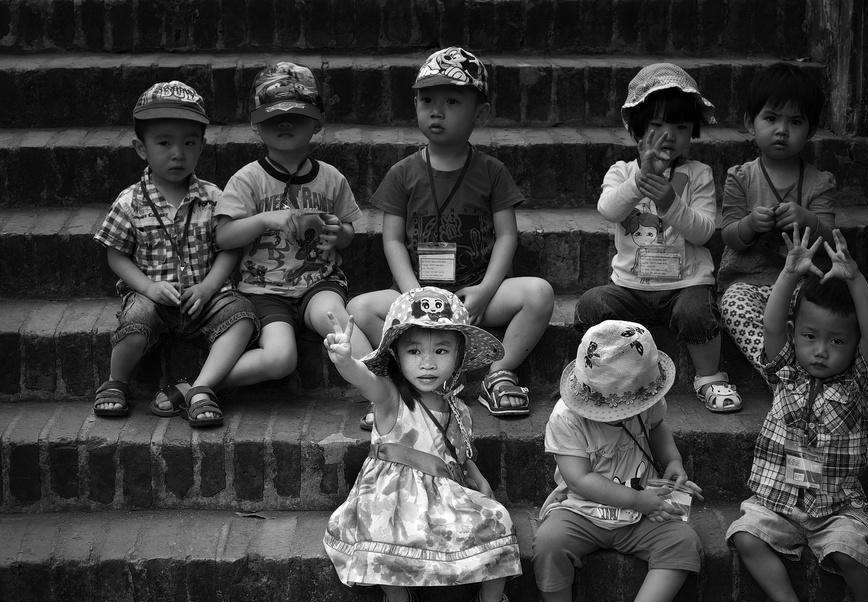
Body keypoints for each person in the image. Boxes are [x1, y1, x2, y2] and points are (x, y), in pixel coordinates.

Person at [348, 46, 554, 427]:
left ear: (481, 114)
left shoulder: (492, 171)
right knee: (356, 310)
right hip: (414, 295)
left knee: (539, 293)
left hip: (473, 296)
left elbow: (507, 236)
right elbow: (392, 240)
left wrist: (487, 290)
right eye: (427, 100)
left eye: (452, 101)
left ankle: (498, 373)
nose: (436, 111)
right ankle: (392, 386)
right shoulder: (402, 173)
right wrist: (413, 296)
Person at [323, 286, 535, 602]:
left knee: (499, 520)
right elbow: (364, 380)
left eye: (441, 351)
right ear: (396, 355)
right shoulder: (389, 397)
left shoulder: (457, 408)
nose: (427, 363)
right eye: (414, 351)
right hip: (391, 498)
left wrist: (478, 477)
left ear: (458, 356)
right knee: (379, 533)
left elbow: (459, 453)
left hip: (443, 494)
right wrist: (345, 361)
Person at [726, 224, 868, 602]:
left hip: (836, 506)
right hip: (777, 501)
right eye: (810, 337)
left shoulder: (858, 383)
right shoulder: (785, 371)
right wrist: (789, 274)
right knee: (745, 534)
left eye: (837, 341)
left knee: (849, 548)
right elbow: (771, 324)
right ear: (795, 334)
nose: (820, 350)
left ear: (854, 346)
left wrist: (855, 278)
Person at [574, 62, 741, 414]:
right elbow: (609, 210)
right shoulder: (622, 171)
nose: (669, 135)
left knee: (697, 312)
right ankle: (608, 373)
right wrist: (639, 182)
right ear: (637, 129)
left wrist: (669, 202)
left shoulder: (698, 174)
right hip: (631, 289)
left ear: (693, 131)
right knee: (592, 304)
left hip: (686, 285)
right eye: (657, 125)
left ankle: (709, 377)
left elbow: (704, 231)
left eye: (680, 127)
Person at [534, 319, 703, 602]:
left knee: (683, 542)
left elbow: (658, 430)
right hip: (581, 509)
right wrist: (638, 501)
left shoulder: (648, 398)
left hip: (641, 511)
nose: (622, 415)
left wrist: (673, 462)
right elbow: (580, 480)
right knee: (549, 542)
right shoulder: (566, 418)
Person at [92, 81, 258, 426]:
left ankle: (202, 389)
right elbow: (116, 255)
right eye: (164, 143)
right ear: (141, 148)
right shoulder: (130, 202)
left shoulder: (214, 198)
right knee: (135, 322)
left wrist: (209, 287)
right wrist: (148, 287)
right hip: (152, 297)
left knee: (242, 316)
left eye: (189, 143)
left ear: (202, 146)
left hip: (204, 298)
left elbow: (228, 248)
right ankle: (116, 381)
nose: (178, 153)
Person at [214, 61, 371, 391]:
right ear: (255, 124)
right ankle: (202, 386)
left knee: (336, 320)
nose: (284, 122)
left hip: (319, 283)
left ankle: (381, 391)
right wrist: (263, 219)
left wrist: (338, 232)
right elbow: (224, 237)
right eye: (273, 116)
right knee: (280, 358)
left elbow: (348, 234)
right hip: (264, 292)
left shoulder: (331, 178)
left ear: (318, 122)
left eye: (297, 115)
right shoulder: (247, 180)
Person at [718, 62, 836, 380]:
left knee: (835, 302)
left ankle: (836, 368)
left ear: (811, 130)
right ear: (750, 123)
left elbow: (831, 241)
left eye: (795, 122)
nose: (782, 130)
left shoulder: (819, 183)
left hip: (802, 286)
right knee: (732, 304)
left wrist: (808, 219)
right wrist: (749, 225)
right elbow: (729, 235)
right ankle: (782, 375)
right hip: (750, 285)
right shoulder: (741, 178)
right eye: (771, 119)